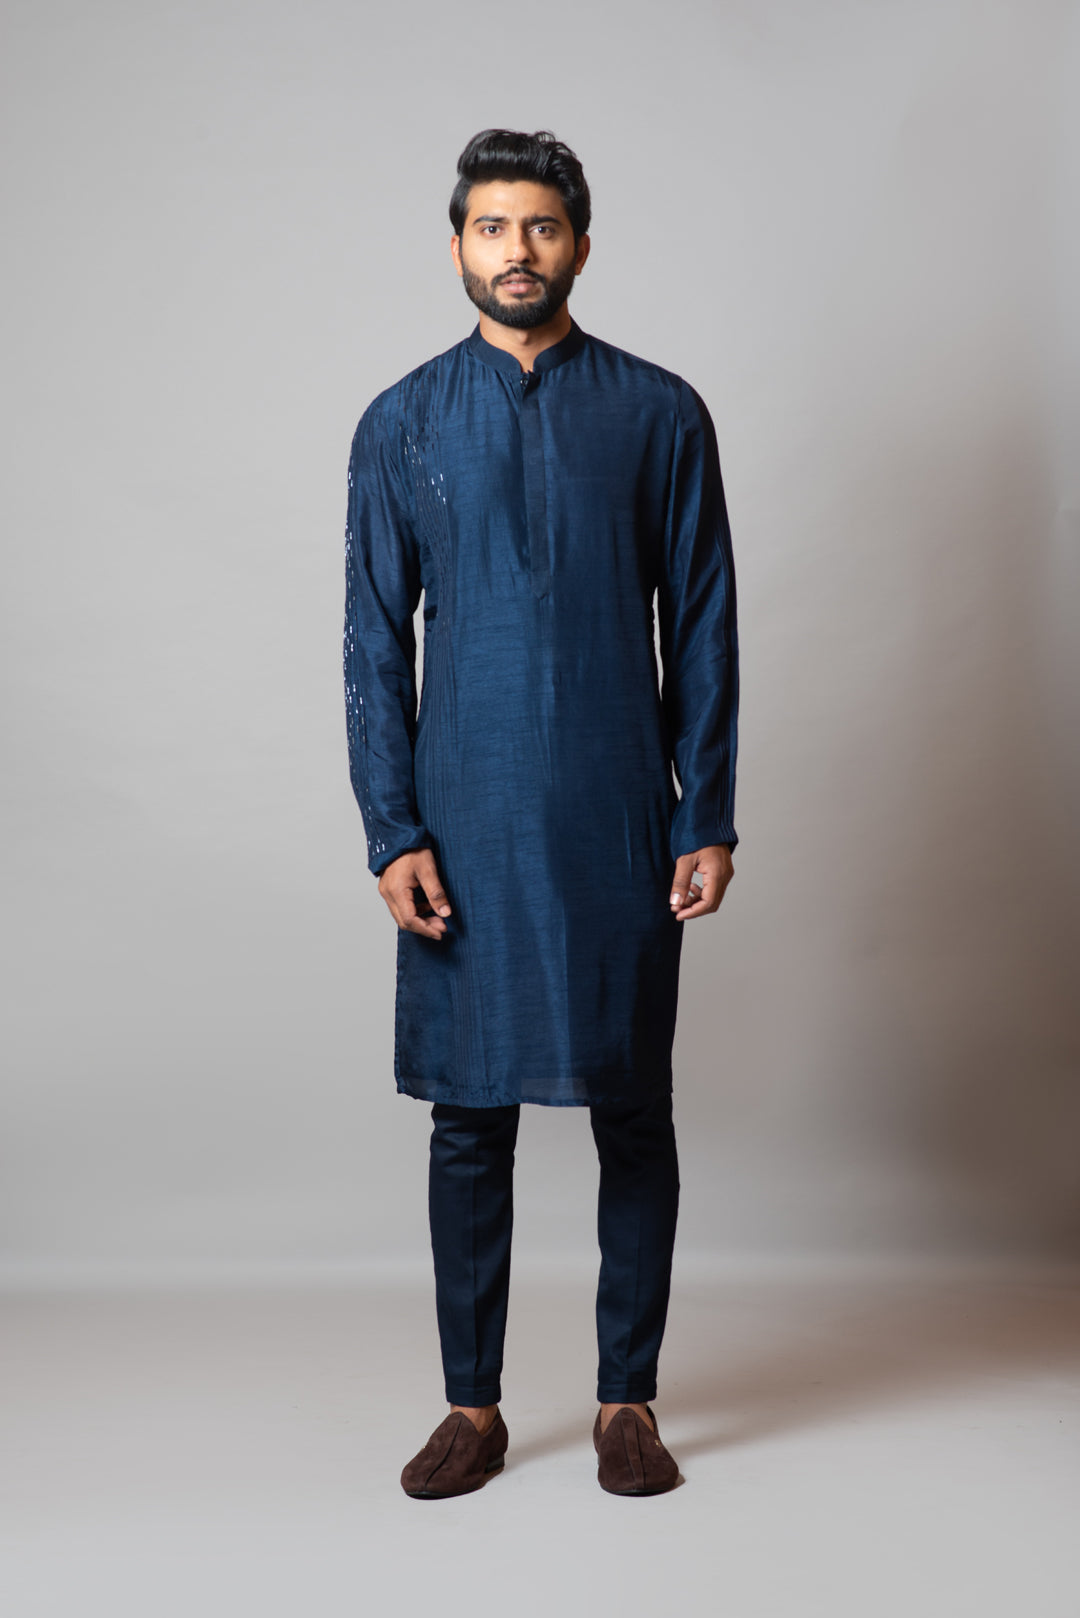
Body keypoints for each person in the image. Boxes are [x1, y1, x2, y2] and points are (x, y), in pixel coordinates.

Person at [343, 128, 739, 1497]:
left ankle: (628, 1401)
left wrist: (706, 811)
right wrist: (392, 828)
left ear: (578, 242)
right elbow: (371, 642)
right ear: (456, 243)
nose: (518, 250)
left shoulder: (659, 412)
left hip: (617, 810)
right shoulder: (401, 422)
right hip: (463, 816)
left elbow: (702, 623)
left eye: (543, 225)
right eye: (493, 225)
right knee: (469, 1118)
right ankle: (474, 1405)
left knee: (633, 1107)